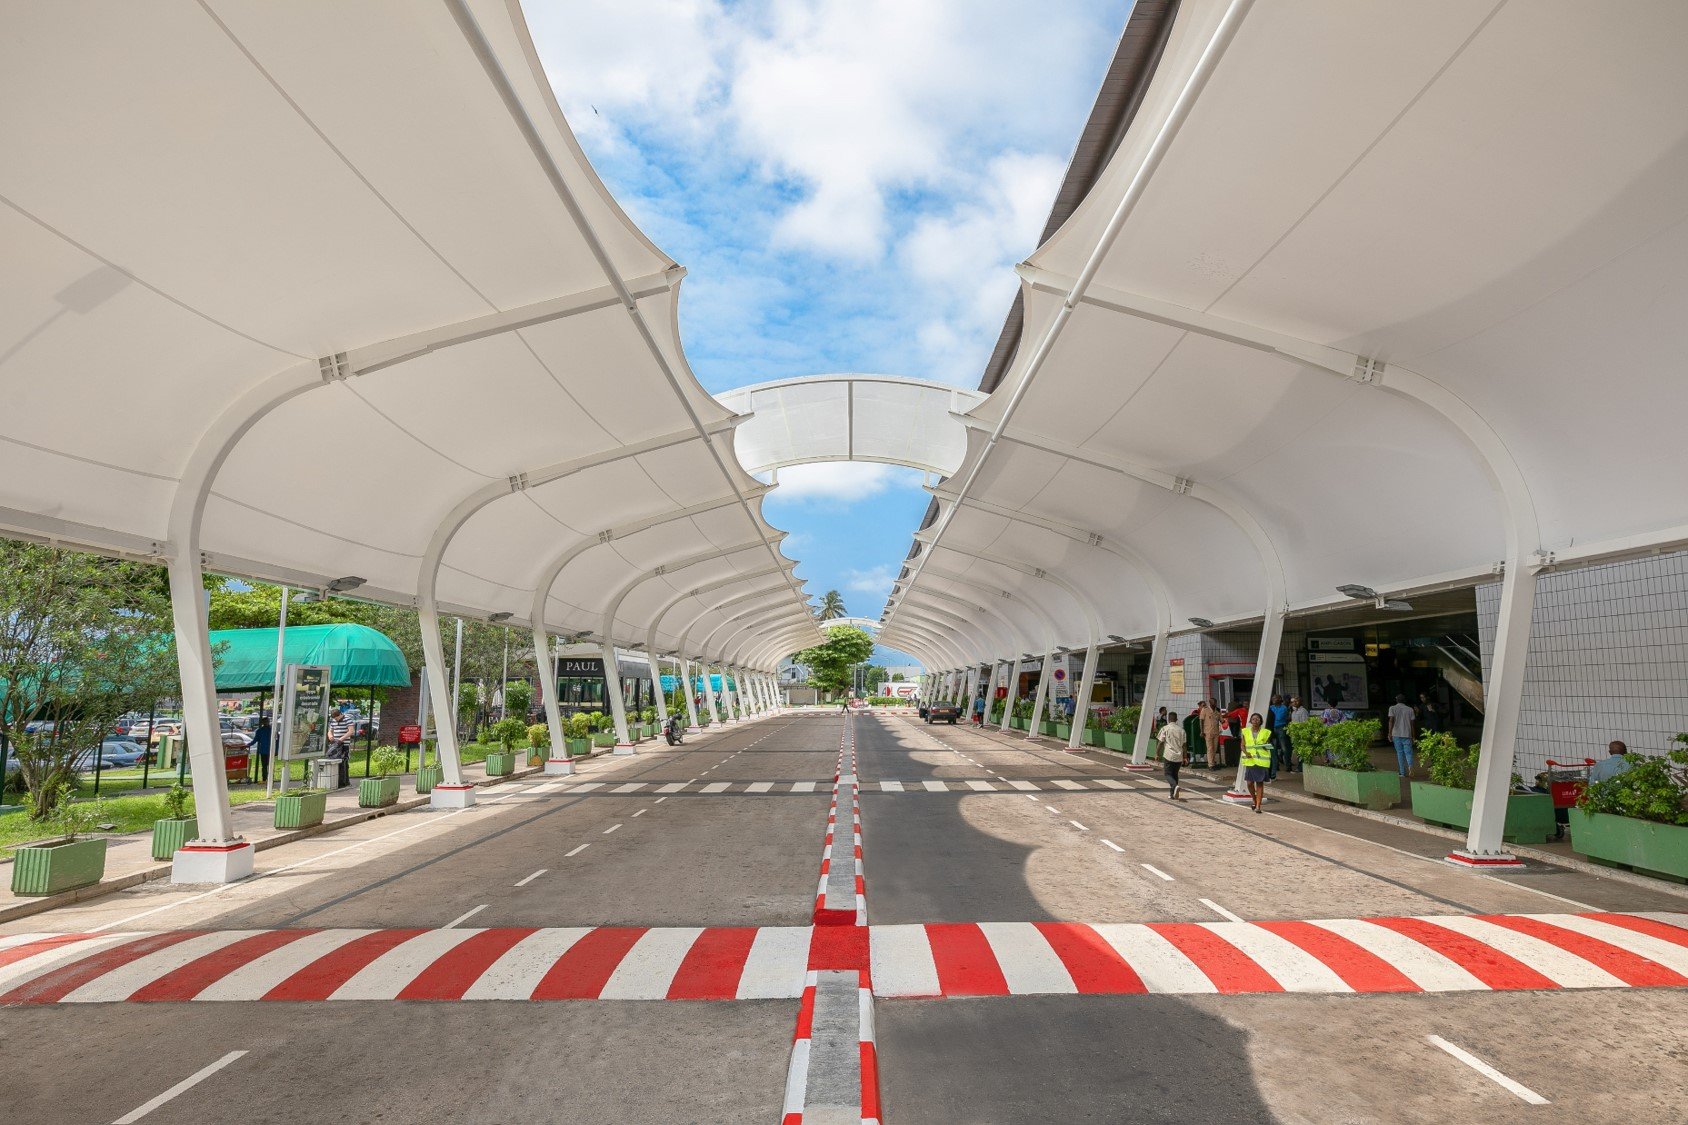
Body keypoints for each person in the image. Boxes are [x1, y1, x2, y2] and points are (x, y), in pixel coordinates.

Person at [1240, 713, 1273, 813]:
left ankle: (1258, 806)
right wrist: (1246, 753)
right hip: (1250, 761)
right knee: (1249, 783)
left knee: (1259, 783)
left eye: (1257, 719)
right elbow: (1242, 745)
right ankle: (1254, 800)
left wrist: (1266, 746)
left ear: (1261, 721)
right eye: (1253, 719)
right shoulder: (1245, 731)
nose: (1255, 721)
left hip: (1261, 761)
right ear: (1250, 721)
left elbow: (1268, 744)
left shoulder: (1266, 732)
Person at [1157, 710, 1187, 799]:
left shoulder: (1165, 729)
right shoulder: (1182, 730)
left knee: (1167, 774)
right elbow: (1184, 745)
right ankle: (1172, 794)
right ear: (1176, 720)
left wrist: (1157, 753)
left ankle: (1174, 786)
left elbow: (1160, 742)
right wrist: (1185, 757)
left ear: (1168, 719)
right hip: (1179, 756)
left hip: (1169, 755)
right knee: (1175, 774)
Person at [1386, 694, 1416, 776]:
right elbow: (1412, 724)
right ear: (1404, 700)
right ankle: (1410, 766)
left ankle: (1402, 772)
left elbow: (1391, 721)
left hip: (1396, 734)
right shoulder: (1410, 709)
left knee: (1400, 753)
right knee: (1408, 753)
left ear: (1396, 700)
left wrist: (1389, 733)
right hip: (1407, 734)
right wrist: (1413, 736)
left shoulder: (1392, 708)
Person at [326, 704, 353, 788]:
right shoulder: (333, 720)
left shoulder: (347, 719)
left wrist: (341, 739)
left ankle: (344, 781)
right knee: (335, 761)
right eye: (334, 718)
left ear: (340, 714)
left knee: (344, 762)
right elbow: (330, 730)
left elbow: (351, 731)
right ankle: (337, 781)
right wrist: (330, 736)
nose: (335, 720)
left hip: (344, 744)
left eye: (336, 718)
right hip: (335, 744)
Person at [1268, 694, 1290, 780]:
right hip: (1272, 728)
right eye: (1273, 698)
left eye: (1275, 698)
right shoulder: (1271, 707)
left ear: (1280, 699)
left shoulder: (1284, 708)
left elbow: (1279, 718)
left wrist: (1271, 717)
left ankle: (1287, 765)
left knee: (1284, 748)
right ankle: (1276, 766)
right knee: (1274, 748)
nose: (1273, 699)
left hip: (1281, 728)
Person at [1199, 700, 1222, 770]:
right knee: (1210, 748)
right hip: (1208, 732)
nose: (1215, 703)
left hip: (1216, 732)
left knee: (1214, 749)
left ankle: (1213, 763)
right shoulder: (1205, 710)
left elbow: (1222, 720)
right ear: (1210, 703)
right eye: (1214, 702)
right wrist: (1202, 731)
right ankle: (1211, 765)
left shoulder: (1217, 711)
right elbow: (1201, 720)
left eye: (1216, 702)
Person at [252, 717, 272, 782]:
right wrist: (248, 745)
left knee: (266, 766)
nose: (267, 722)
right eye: (265, 721)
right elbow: (255, 740)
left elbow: (254, 740)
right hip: (266, 751)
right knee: (266, 766)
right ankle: (266, 778)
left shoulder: (270, 730)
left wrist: (248, 745)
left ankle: (266, 779)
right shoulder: (260, 731)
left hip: (268, 751)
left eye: (267, 721)